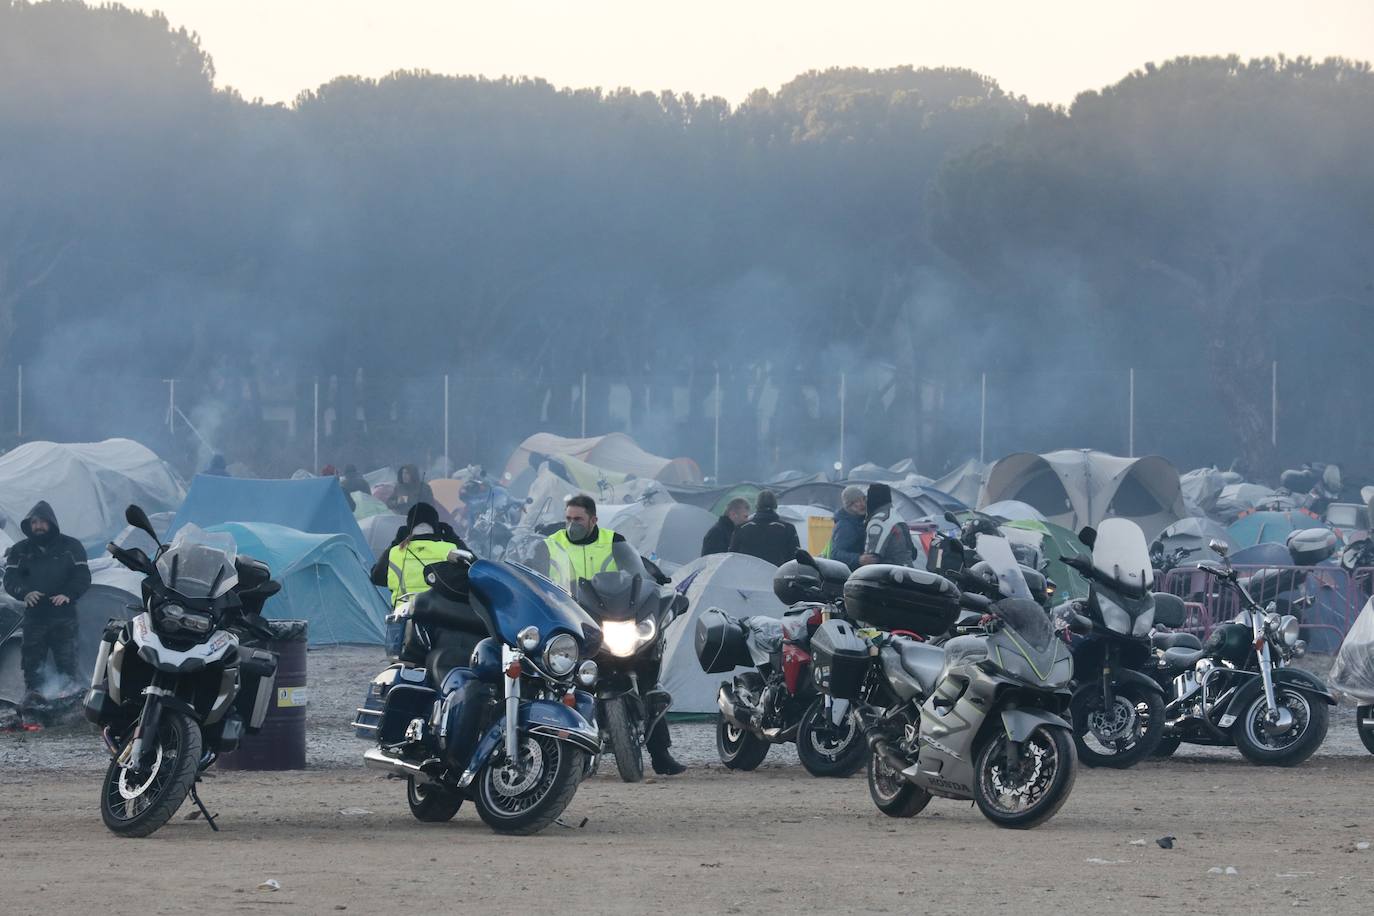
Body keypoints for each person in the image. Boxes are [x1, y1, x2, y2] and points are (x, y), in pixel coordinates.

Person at [532, 495, 683, 775]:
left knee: (647, 677)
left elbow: (637, 572)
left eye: (578, 519)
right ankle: (557, 755)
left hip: (612, 619)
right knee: (555, 683)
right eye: (568, 519)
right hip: (572, 622)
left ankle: (661, 754)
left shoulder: (614, 542)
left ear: (593, 520)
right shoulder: (551, 545)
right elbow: (535, 574)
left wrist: (653, 582)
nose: (572, 524)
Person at [3, 502, 91, 698]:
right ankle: (36, 701)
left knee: (66, 660)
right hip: (34, 615)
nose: (38, 526)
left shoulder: (71, 546)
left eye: (42, 521)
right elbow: (10, 579)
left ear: (51, 523)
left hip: (64, 613)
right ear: (29, 525)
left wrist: (68, 593)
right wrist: (24, 592)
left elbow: (83, 576)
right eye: (34, 522)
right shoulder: (19, 550)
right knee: (32, 661)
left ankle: (68, 702)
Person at [370, 502, 468, 608]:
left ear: (408, 528)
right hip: (441, 615)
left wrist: (396, 541)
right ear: (437, 528)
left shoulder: (395, 552)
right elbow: (475, 570)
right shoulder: (450, 549)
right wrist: (454, 538)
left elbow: (377, 577)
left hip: (404, 617)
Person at [728, 490, 800, 567]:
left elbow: (733, 555)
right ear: (775, 505)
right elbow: (794, 557)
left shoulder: (741, 528)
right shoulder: (788, 528)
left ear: (757, 505)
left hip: (748, 574)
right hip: (777, 574)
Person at [860, 483, 915, 567]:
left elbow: (871, 559)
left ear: (872, 498)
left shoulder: (879, 521)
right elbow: (913, 552)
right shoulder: (896, 516)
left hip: (890, 574)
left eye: (866, 498)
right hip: (906, 570)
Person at [826, 485, 867, 570]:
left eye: (863, 499)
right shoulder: (845, 525)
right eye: (857, 502)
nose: (862, 504)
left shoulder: (861, 519)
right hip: (849, 574)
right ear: (849, 506)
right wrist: (858, 559)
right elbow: (835, 554)